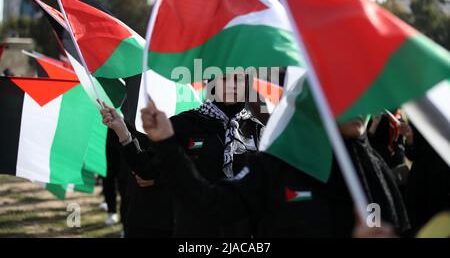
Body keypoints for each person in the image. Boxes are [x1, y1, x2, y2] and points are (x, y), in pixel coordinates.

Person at [120, 98, 410, 237]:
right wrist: (167, 144)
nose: (357, 103)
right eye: (344, 92)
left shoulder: (376, 170)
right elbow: (211, 202)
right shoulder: (280, 163)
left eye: (363, 93)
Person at [101, 71, 265, 237]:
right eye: (224, 78)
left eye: (239, 79)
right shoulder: (184, 124)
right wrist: (122, 132)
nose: (232, 84)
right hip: (194, 230)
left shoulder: (258, 130)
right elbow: (147, 169)